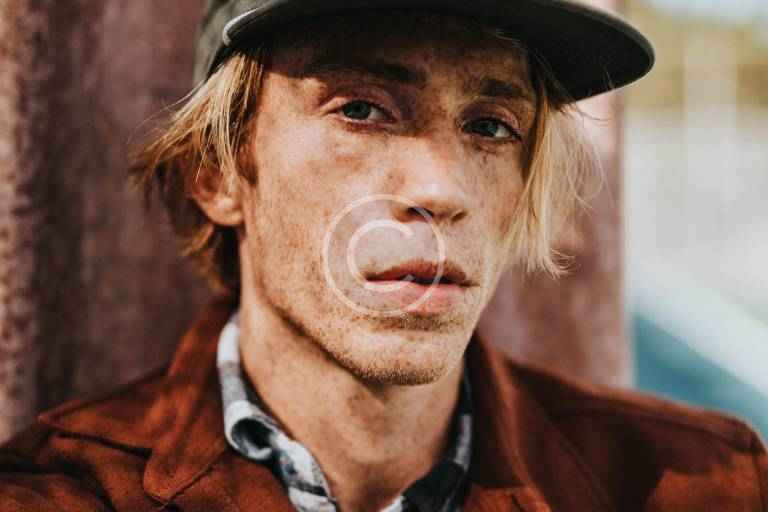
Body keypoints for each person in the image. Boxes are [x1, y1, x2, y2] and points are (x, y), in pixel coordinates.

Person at [1, 1, 766, 511]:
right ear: (218, 171)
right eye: (362, 109)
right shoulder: (60, 492)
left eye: (491, 126)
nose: (442, 189)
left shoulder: (705, 485)